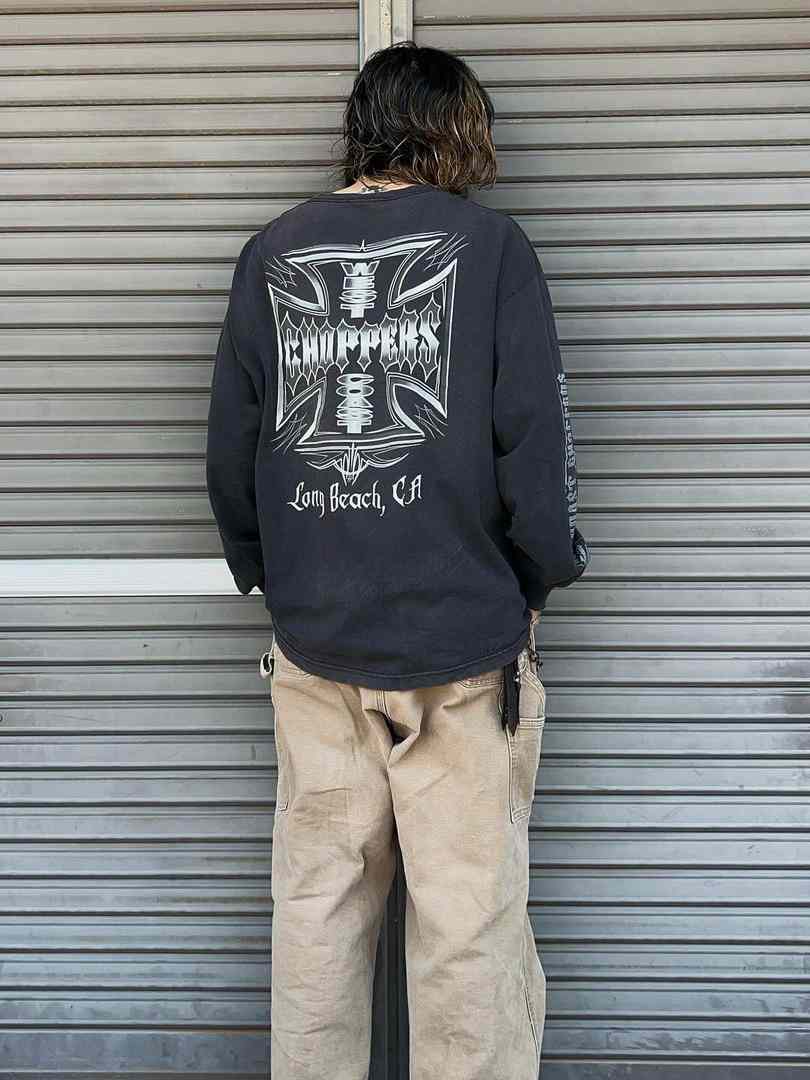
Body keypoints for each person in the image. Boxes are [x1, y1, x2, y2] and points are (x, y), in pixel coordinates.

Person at [206, 40, 590, 1080]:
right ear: (454, 131)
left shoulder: (272, 252)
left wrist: (274, 575)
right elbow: (534, 443)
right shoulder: (492, 249)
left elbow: (232, 448)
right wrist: (542, 574)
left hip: (316, 648)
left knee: (318, 922)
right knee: (467, 931)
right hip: (462, 652)